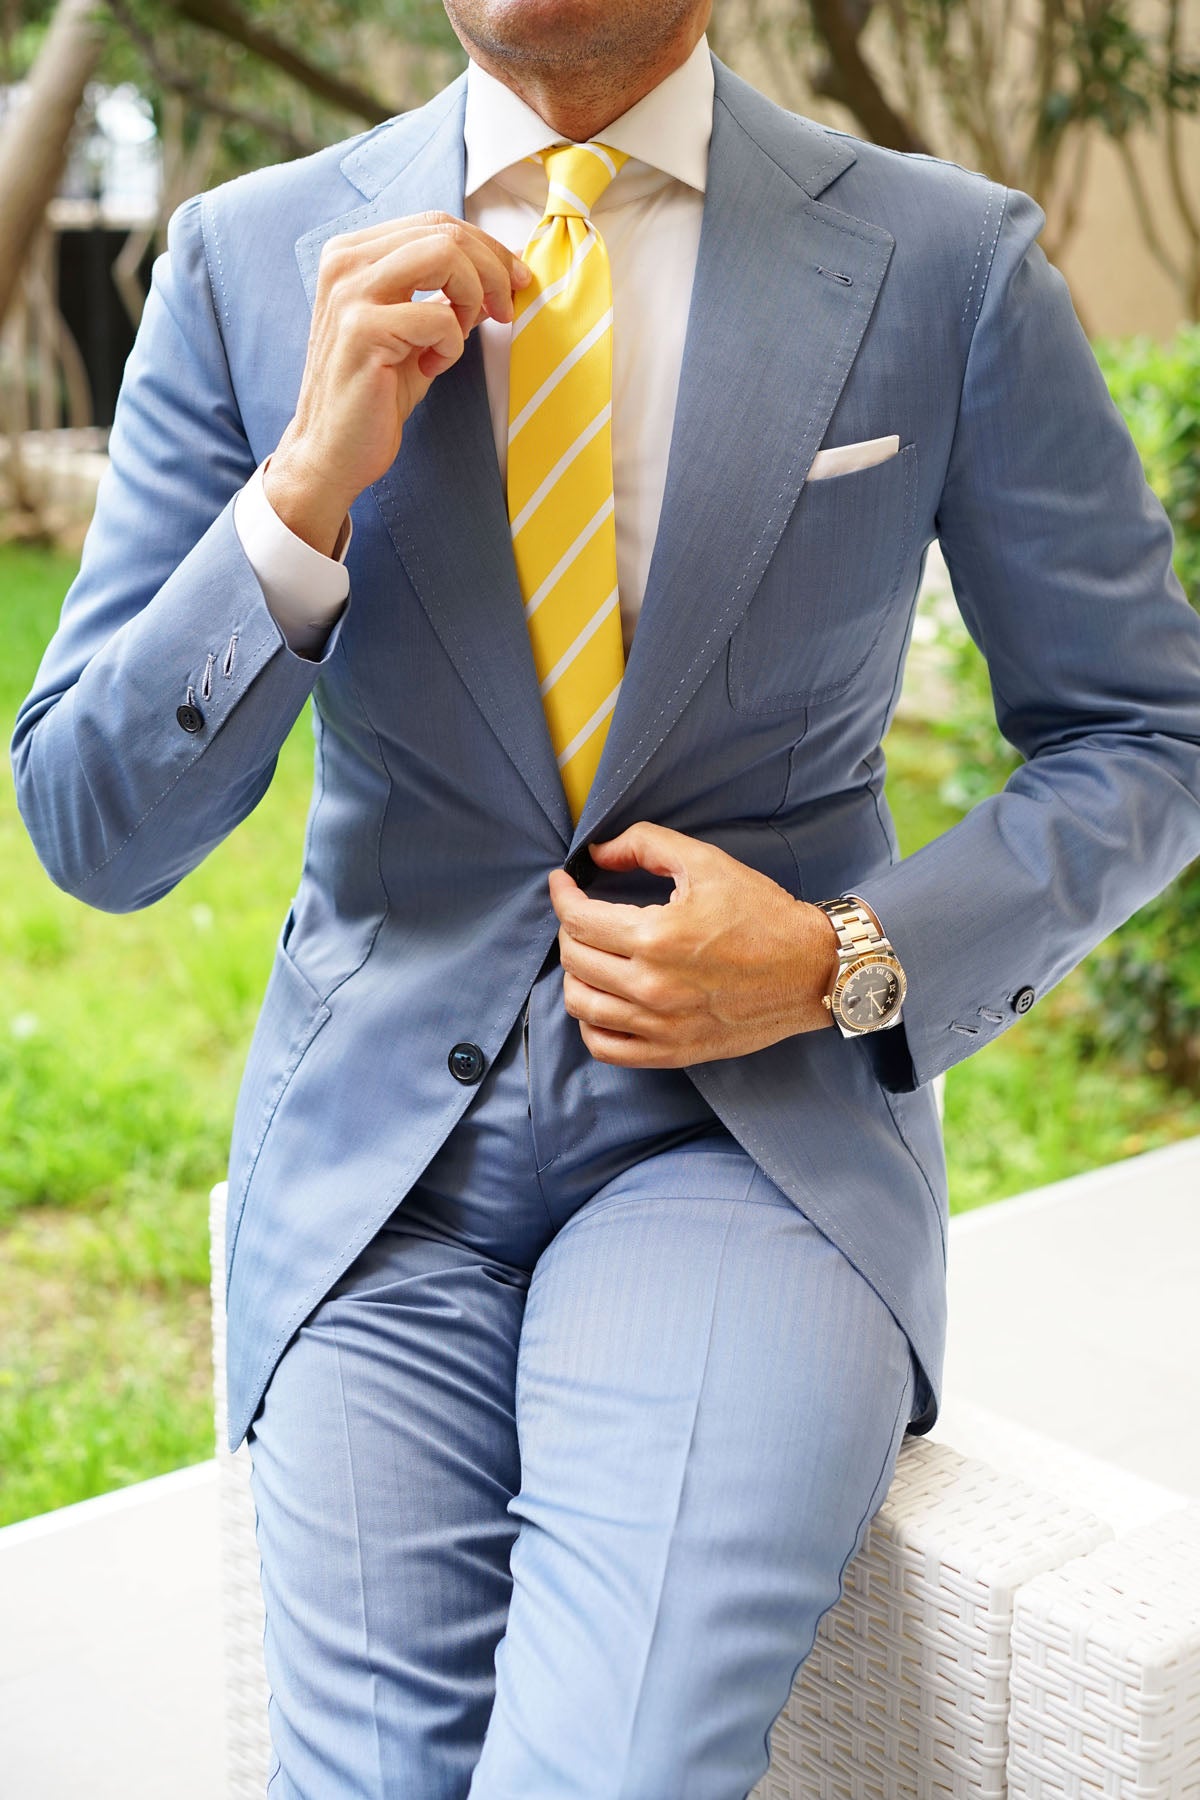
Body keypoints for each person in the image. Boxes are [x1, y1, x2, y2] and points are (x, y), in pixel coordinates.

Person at [12, 1, 1200, 1793]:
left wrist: (838, 959)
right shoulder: (244, 259)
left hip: (749, 1151)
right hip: (372, 1180)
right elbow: (94, 829)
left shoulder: (947, 262)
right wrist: (300, 496)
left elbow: (1145, 730)